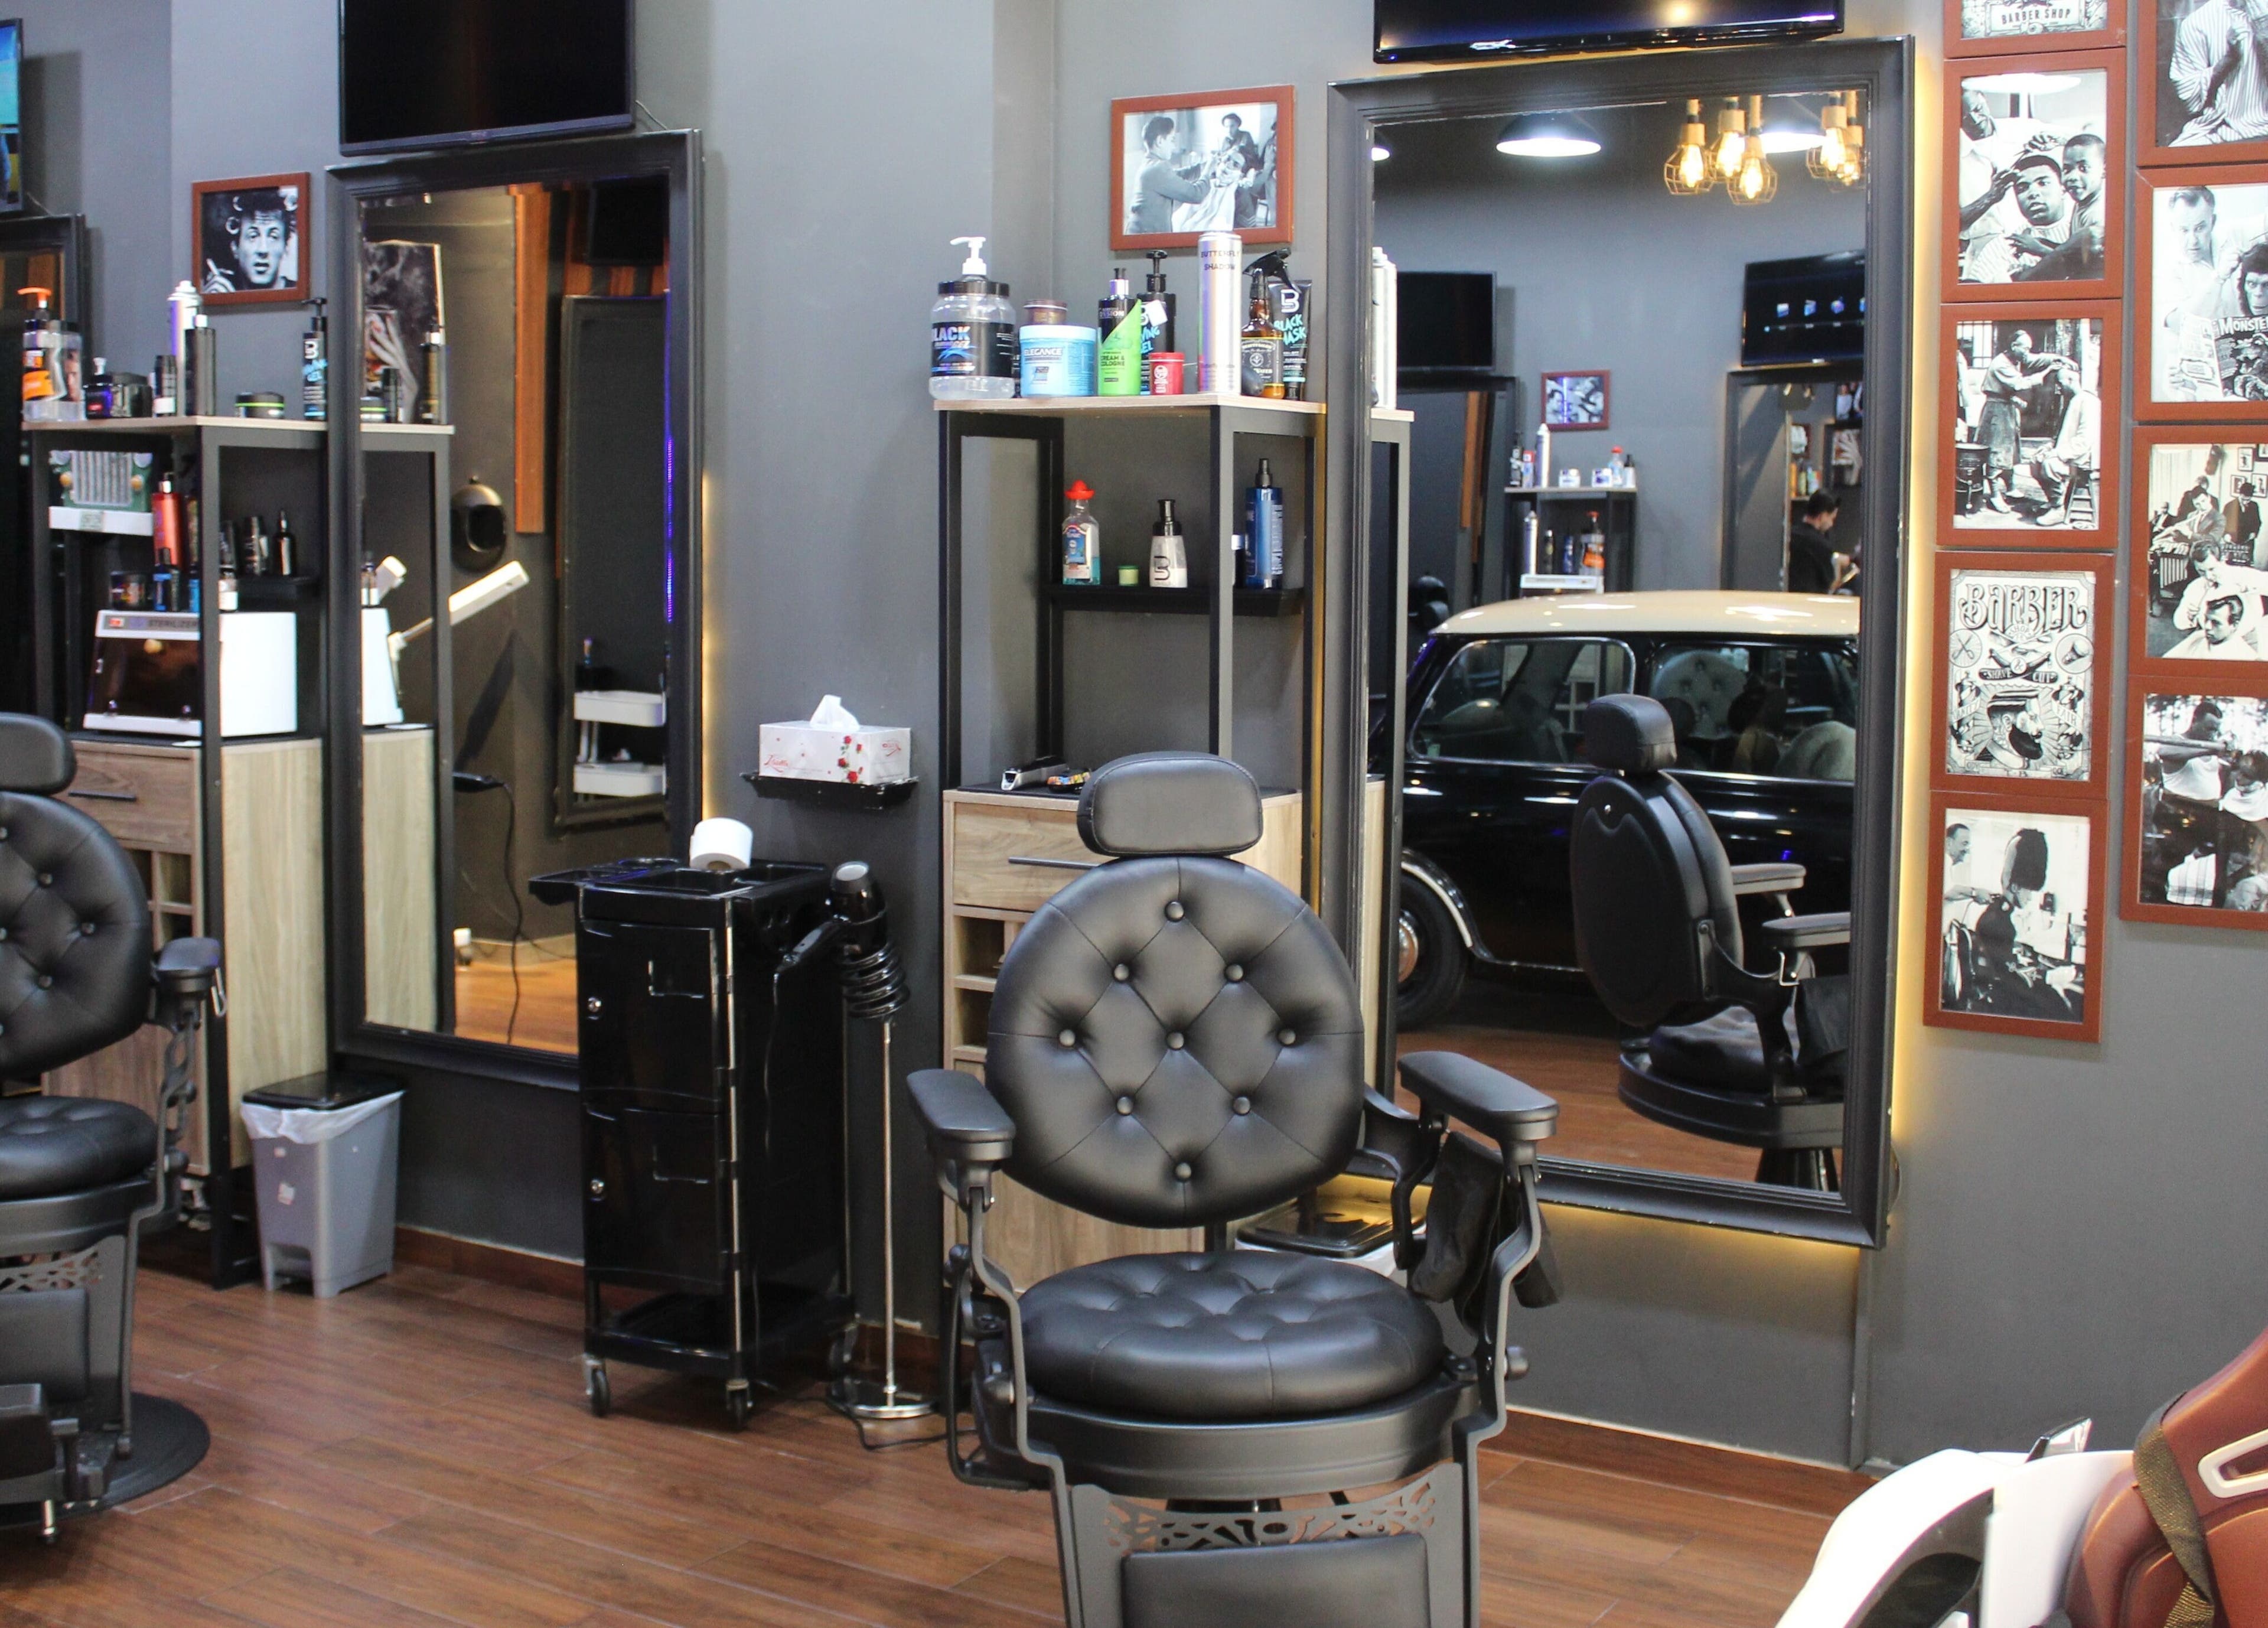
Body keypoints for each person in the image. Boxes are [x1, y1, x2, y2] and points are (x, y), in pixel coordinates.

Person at [1974, 330, 2067, 513]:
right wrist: (2049, 370)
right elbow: (2020, 384)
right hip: (1996, 412)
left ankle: (2010, 488)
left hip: (2008, 408)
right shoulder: (2000, 364)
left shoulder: (2016, 357)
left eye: (2029, 348)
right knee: (1996, 452)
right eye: (2024, 348)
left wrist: (2058, 359)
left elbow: (2034, 359)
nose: (2027, 352)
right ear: (2013, 346)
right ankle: (1994, 496)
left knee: (2012, 451)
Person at [2168, 0, 2268, 147]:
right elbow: (2189, 98)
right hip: (2218, 131)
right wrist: (2228, 61)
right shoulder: (2197, 23)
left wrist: (2264, 29)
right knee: (2177, 156)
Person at [1966, 151, 2073, 284]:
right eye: (2023, 188)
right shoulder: (2002, 246)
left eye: (2043, 183)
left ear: (2063, 189)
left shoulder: (2083, 231)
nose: (2033, 193)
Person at [2015, 133, 2107, 282]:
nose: (2073, 177)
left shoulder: (2098, 215)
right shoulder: (2084, 199)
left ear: (2105, 170)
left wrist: (2037, 251)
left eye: (2084, 168)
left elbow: (2075, 265)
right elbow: (2072, 251)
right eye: (2067, 169)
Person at [1128, 115, 1212, 236]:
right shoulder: (1158, 169)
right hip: (1146, 240)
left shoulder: (1150, 164)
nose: (1173, 147)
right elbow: (1196, 195)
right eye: (1172, 140)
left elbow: (1176, 176)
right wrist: (1208, 172)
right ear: (1160, 141)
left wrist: (1202, 167)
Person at [202, 186, 293, 295]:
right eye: (253, 236)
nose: (263, 250)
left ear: (286, 247)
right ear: (235, 248)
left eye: (273, 237)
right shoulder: (221, 289)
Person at [1787, 491, 1841, 593]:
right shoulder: (1822, 545)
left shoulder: (1789, 536)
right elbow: (1829, 582)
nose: (1831, 524)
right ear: (1823, 516)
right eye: (1832, 518)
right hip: (1812, 601)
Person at [2227, 477, 2263, 564]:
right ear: (2240, 495)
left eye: (2248, 500)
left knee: (2247, 566)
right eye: (2243, 499)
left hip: (2248, 542)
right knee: (2232, 566)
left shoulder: (2254, 506)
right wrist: (2226, 535)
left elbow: (2258, 522)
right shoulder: (2230, 506)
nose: (2246, 502)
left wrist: (2254, 533)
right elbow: (2223, 524)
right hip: (2232, 542)